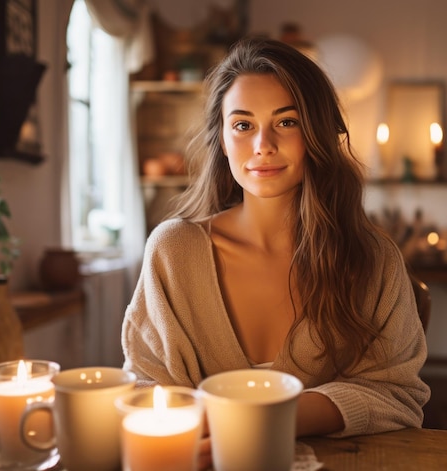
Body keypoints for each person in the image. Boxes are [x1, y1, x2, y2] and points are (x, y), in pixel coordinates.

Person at [122, 36, 430, 468]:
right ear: (223, 140)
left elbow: (397, 393)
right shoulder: (173, 253)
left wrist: (272, 419)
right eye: (243, 125)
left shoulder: (372, 258)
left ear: (317, 133)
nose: (263, 144)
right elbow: (147, 388)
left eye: (287, 122)